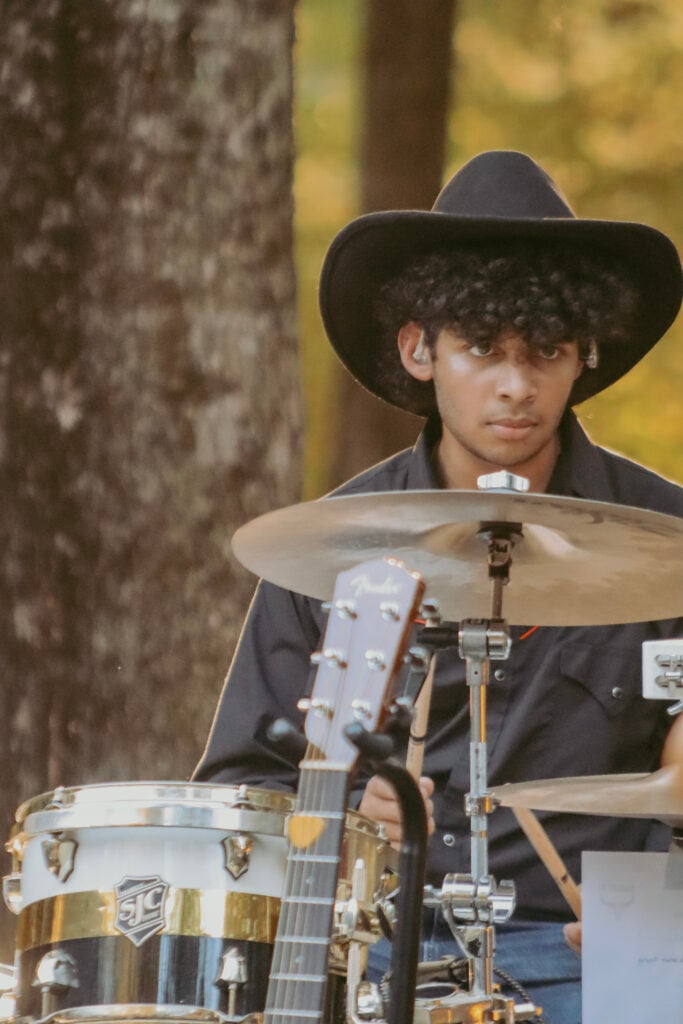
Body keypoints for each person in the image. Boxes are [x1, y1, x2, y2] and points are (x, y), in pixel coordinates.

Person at [194, 151, 683, 1024]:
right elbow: (242, 785)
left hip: (606, 944)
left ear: (583, 355)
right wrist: (347, 811)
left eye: (545, 352)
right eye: (481, 350)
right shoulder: (329, 547)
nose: (515, 386)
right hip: (382, 943)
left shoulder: (669, 538)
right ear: (419, 349)